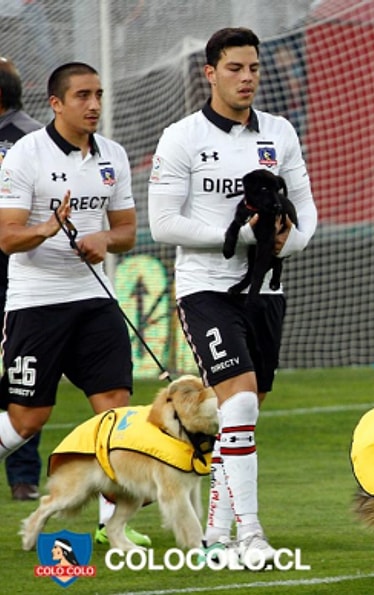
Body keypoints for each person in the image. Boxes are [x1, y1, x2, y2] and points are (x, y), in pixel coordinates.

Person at [148, 27, 317, 566]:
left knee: (242, 416)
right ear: (210, 72)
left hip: (267, 290)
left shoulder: (281, 133)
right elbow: (163, 224)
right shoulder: (181, 137)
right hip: (205, 290)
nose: (247, 78)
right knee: (239, 402)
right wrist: (248, 237)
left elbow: (306, 209)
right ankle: (252, 534)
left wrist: (289, 241)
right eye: (235, 69)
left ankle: (216, 532)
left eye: (254, 68)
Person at [0, 62, 148, 546]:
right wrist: (44, 229)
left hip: (95, 298)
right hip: (37, 303)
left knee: (115, 412)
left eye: (99, 94)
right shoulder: (26, 155)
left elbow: (127, 230)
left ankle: (113, 527)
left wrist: (104, 237)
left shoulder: (114, 156)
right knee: (28, 418)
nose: (95, 105)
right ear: (57, 103)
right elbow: (7, 238)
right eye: (83, 95)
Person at [0, 56, 44, 501]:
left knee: (24, 375)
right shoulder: (34, 134)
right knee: (22, 373)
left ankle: (25, 474)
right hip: (19, 273)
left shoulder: (28, 139)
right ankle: (24, 477)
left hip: (19, 275)